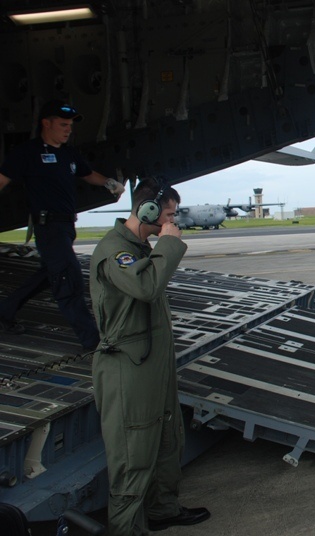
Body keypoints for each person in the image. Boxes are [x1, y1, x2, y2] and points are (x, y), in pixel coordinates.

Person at [90, 178, 209, 534]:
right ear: (148, 212)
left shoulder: (141, 248)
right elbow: (146, 287)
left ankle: (162, 510)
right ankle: (126, 528)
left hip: (152, 362)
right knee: (134, 452)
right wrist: (170, 244)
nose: (173, 223)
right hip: (128, 366)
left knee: (167, 438)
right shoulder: (116, 252)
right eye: (169, 216)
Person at [0, 100, 125, 350]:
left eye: (70, 125)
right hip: (49, 228)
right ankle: (93, 342)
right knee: (69, 280)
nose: (68, 130)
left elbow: (87, 173)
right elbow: (2, 179)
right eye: (63, 125)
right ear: (46, 124)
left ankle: (4, 311)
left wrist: (110, 183)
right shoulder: (27, 152)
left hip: (66, 228)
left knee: (49, 275)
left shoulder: (69, 153)